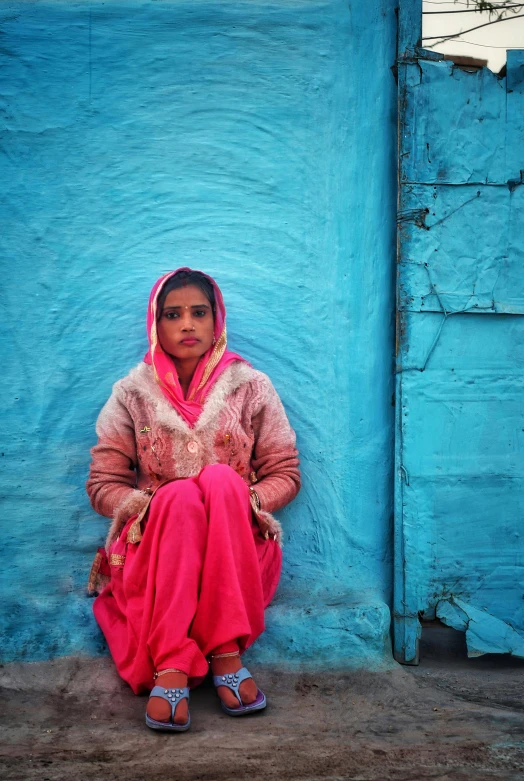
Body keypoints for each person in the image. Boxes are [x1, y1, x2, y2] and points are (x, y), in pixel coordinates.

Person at [86, 268, 300, 731]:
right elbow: (103, 484)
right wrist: (150, 506)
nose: (187, 324)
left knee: (223, 481)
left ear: (216, 319)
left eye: (198, 313)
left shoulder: (250, 386)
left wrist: (245, 501)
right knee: (180, 496)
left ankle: (225, 650)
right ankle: (172, 661)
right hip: (159, 553)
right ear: (155, 324)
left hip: (236, 548)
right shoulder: (132, 394)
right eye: (173, 314)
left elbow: (285, 472)